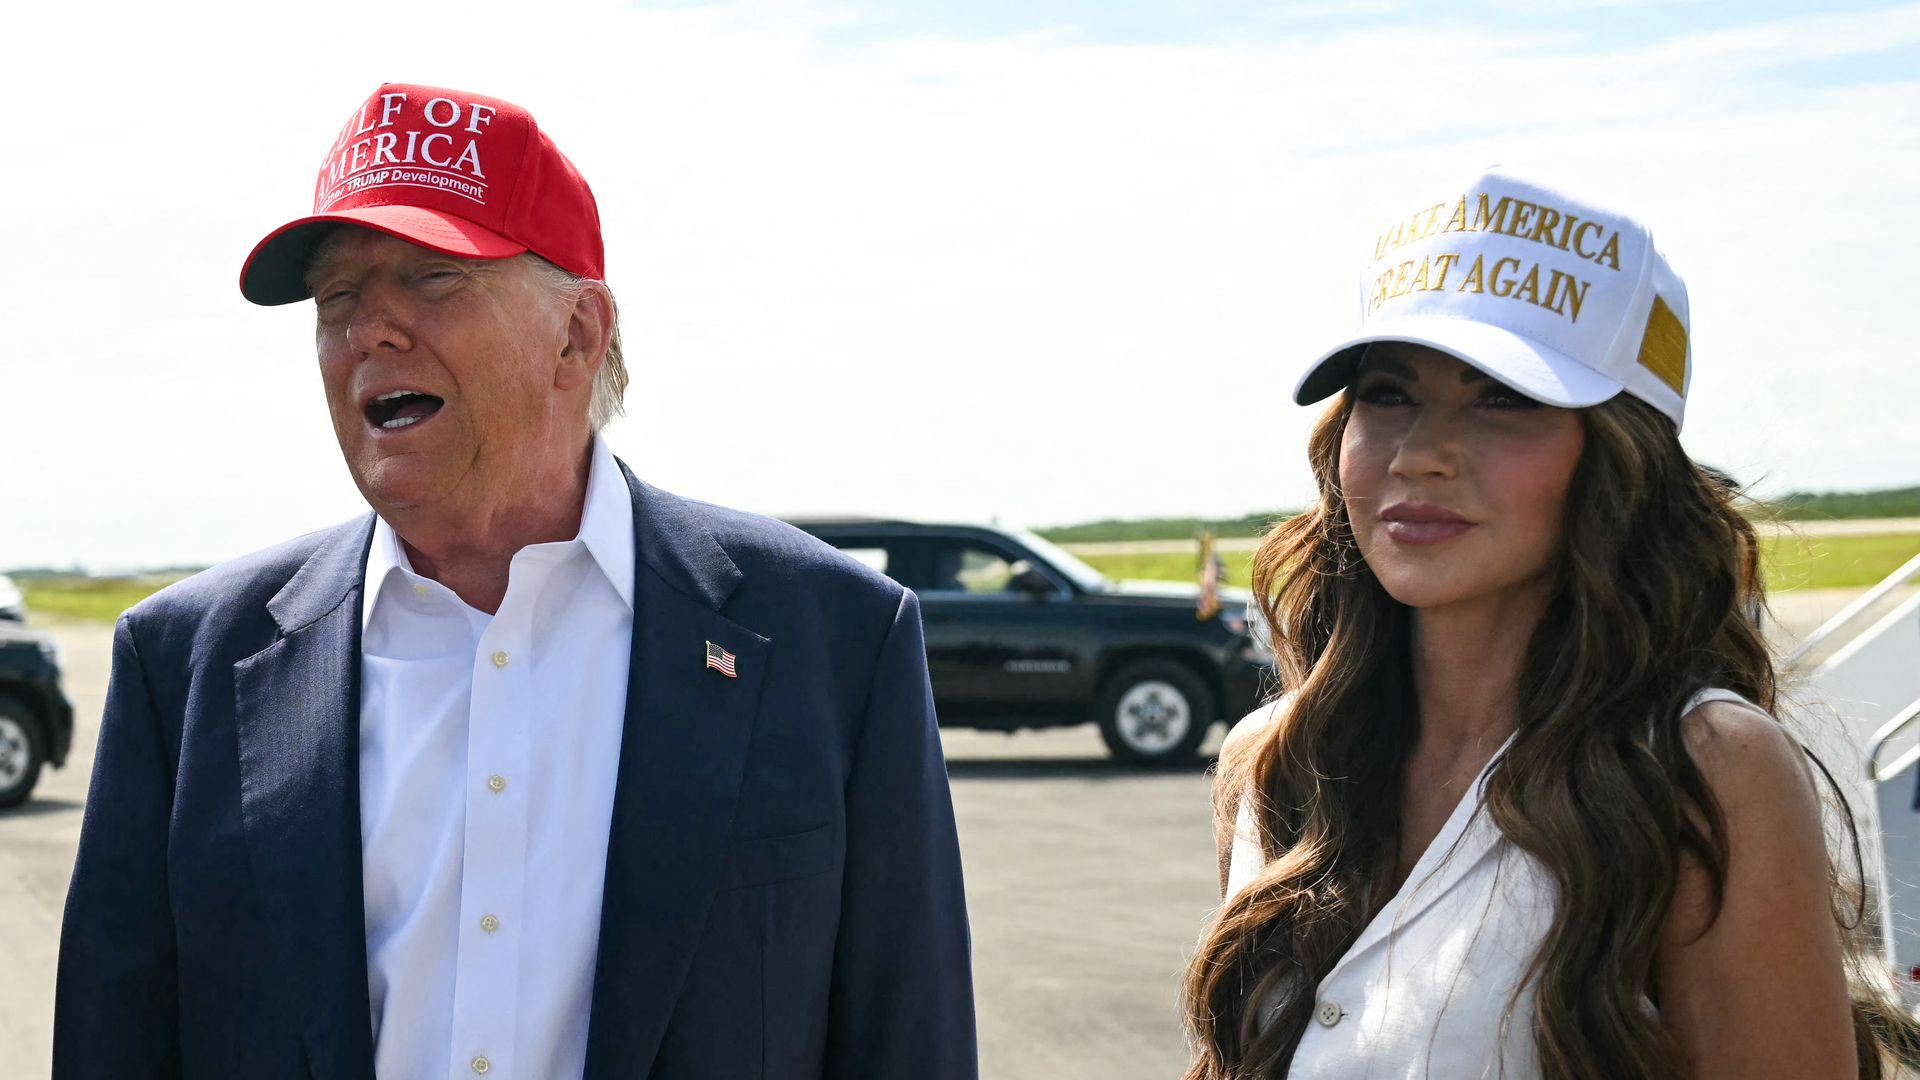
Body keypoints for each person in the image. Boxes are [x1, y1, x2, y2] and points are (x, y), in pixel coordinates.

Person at [54, 82, 977, 1080]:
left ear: (577, 335)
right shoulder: (185, 665)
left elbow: (907, 1041)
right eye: (338, 300)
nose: (372, 331)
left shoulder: (833, 641)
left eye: (431, 280)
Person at [1180, 167, 1919, 1078]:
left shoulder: (1705, 768)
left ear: (1617, 455)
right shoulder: (1271, 760)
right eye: (1387, 393)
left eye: (1504, 398)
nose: (1423, 454)